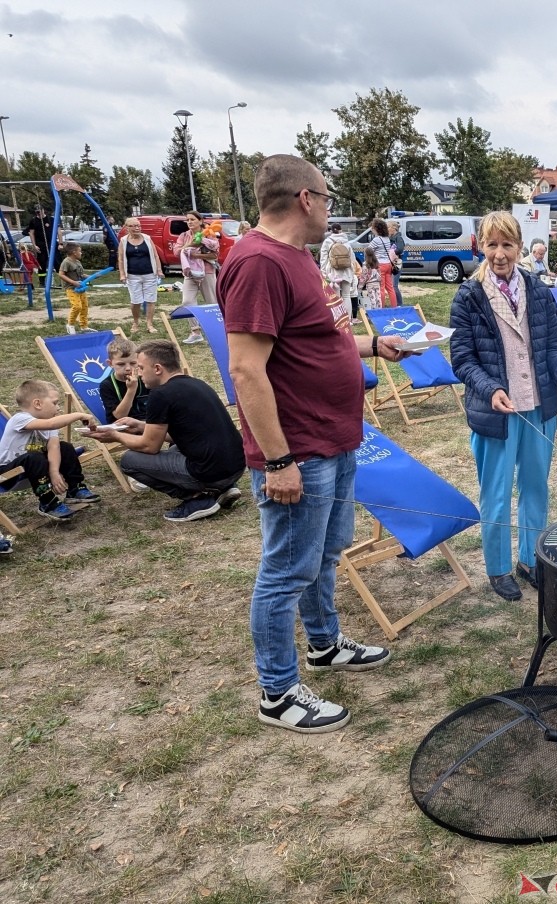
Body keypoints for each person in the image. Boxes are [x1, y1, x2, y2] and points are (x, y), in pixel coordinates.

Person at [219, 153, 416, 734]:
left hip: (334, 437)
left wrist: (374, 349)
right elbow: (247, 370)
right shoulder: (257, 262)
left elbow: (319, 340)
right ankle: (277, 693)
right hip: (298, 447)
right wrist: (277, 460)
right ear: (305, 198)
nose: (331, 208)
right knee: (286, 570)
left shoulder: (298, 259)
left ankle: (326, 644)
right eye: (328, 197)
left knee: (325, 554)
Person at [449, 211, 557, 602]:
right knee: (496, 493)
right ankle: (498, 568)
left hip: (539, 408)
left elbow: (549, 350)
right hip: (497, 414)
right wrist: (489, 389)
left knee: (536, 488)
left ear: (520, 247)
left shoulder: (539, 291)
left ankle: (531, 560)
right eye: (492, 245)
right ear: (481, 247)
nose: (500, 253)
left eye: (507, 244)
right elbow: (462, 358)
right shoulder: (469, 296)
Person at [92, 340, 245, 521]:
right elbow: (187, 432)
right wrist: (142, 425)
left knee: (129, 460)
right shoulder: (197, 383)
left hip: (210, 472)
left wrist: (115, 435)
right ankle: (223, 488)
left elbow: (150, 447)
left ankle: (197, 499)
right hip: (236, 466)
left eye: (140, 367)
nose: (138, 373)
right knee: (175, 449)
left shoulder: (160, 394)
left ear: (157, 368)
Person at [0, 379, 100, 521]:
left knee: (65, 447)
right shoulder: (20, 419)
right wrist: (79, 415)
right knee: (33, 456)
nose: (58, 408)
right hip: (8, 475)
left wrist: (54, 473)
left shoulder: (49, 426)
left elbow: (54, 447)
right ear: (37, 404)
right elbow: (51, 424)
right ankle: (48, 503)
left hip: (35, 472)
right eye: (55, 403)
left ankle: (75, 488)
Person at [173, 211, 217, 345]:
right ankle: (195, 331)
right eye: (188, 220)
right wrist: (189, 246)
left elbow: (215, 255)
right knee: (187, 301)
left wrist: (197, 256)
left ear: (200, 221)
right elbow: (176, 252)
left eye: (192, 219)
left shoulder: (209, 234)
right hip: (190, 273)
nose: (190, 222)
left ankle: (217, 330)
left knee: (212, 302)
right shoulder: (184, 235)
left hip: (207, 272)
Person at [118, 217, 164, 333]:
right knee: (135, 301)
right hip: (132, 275)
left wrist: (159, 270)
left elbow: (155, 255)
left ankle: (149, 324)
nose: (137, 228)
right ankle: (136, 323)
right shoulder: (123, 241)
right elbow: (121, 259)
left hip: (150, 274)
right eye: (133, 226)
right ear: (127, 228)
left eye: (138, 225)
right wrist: (122, 274)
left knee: (151, 300)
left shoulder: (147, 238)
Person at [98, 336, 151, 423]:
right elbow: (119, 416)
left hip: (147, 423)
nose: (128, 368)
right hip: (122, 427)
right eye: (121, 364)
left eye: (133, 363)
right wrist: (131, 389)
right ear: (110, 364)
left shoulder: (145, 379)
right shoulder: (107, 385)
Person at [58, 243, 91, 334]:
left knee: (84, 306)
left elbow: (81, 275)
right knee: (77, 306)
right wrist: (73, 282)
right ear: (74, 252)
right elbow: (61, 274)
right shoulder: (66, 262)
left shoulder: (78, 262)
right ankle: (70, 324)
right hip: (71, 288)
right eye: (80, 251)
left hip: (81, 288)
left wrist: (91, 277)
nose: (81, 253)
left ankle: (84, 326)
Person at [366, 219, 397, 307]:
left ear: (376, 229)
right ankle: (394, 306)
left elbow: (368, 250)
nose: (372, 229)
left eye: (373, 228)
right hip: (388, 264)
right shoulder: (387, 238)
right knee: (390, 288)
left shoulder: (376, 240)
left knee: (381, 288)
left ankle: (381, 307)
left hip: (380, 265)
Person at [24, 207, 55, 275]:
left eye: (40, 211)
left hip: (50, 243)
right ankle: (42, 280)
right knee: (41, 262)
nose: (38, 213)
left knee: (55, 260)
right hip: (40, 244)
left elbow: (57, 231)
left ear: (43, 210)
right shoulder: (33, 221)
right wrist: (34, 245)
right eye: (37, 212)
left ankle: (59, 278)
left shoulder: (50, 219)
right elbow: (31, 233)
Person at [389, 220, 406, 305]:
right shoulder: (390, 238)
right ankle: (395, 303)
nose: (387, 229)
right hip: (391, 263)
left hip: (397, 263)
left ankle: (399, 304)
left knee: (394, 285)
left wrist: (391, 252)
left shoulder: (398, 238)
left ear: (394, 228)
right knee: (391, 286)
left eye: (388, 227)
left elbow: (400, 249)